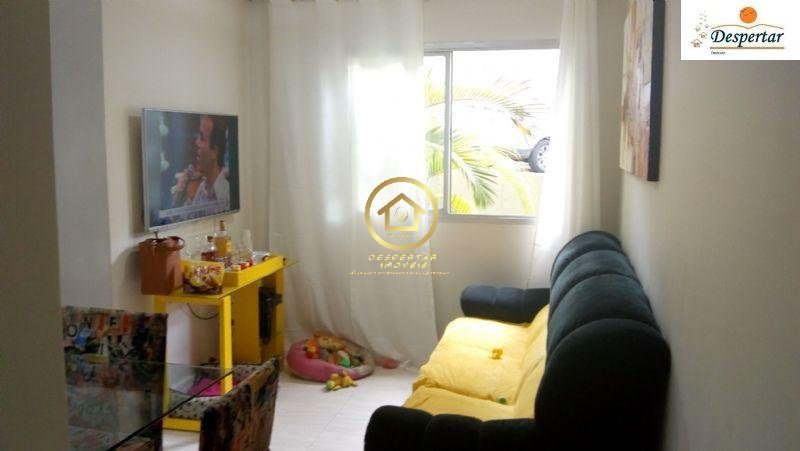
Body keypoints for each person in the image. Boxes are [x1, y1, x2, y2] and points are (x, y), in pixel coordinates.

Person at [188, 115, 230, 215]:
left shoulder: (227, 194)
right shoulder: (202, 188)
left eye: (202, 138)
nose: (196, 142)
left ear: (214, 152)